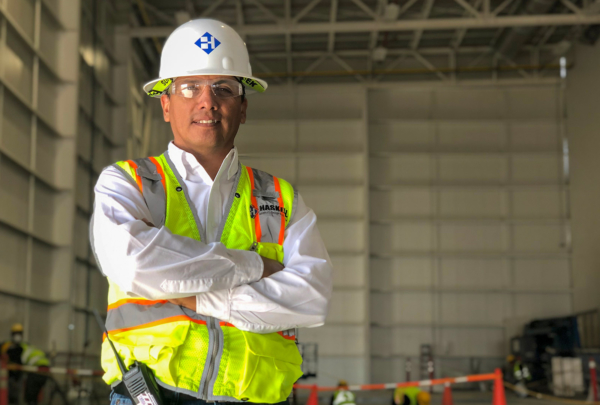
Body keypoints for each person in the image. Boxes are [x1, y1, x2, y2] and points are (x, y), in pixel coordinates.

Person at [91, 18, 333, 405]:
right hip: (150, 394)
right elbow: (133, 265)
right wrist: (252, 267)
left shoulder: (282, 199)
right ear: (166, 105)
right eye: (189, 87)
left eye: (224, 88)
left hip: (253, 397)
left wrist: (196, 297)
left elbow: (311, 297)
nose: (207, 100)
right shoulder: (126, 183)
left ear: (243, 107)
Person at [1, 324, 49, 405]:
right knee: (30, 396)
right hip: (39, 370)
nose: (17, 336)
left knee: (30, 396)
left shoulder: (21, 347)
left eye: (19, 333)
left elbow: (17, 362)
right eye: (15, 333)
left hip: (35, 371)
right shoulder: (9, 345)